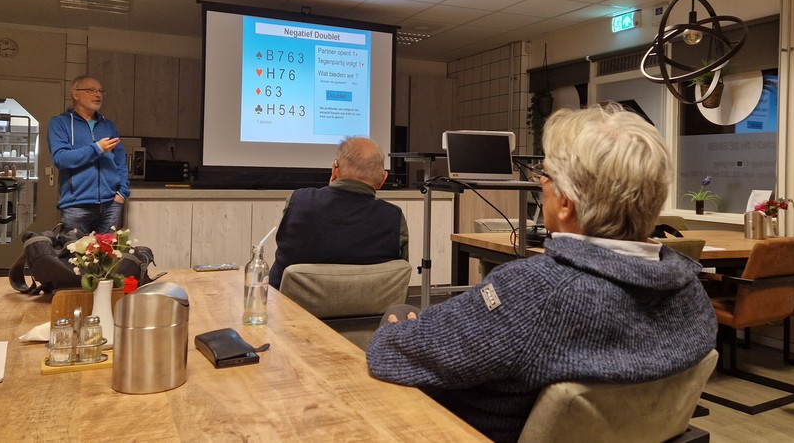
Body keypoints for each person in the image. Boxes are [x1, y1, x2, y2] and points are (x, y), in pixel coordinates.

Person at [365, 104, 717, 443]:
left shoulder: (534, 293)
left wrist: (396, 331)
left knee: (399, 315)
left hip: (461, 431)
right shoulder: (692, 293)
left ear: (565, 203)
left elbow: (388, 354)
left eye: (544, 174)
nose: (539, 183)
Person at [269, 137, 408, 290]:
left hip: (290, 305)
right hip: (370, 306)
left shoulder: (299, 202)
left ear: (334, 170)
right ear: (383, 179)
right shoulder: (394, 219)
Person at [48, 75, 129, 234]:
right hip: (76, 207)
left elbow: (121, 163)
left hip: (110, 205)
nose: (98, 94)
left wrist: (122, 193)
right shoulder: (60, 123)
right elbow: (61, 159)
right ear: (75, 94)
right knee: (73, 250)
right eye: (91, 90)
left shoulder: (108, 126)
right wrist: (97, 148)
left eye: (100, 91)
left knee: (106, 250)